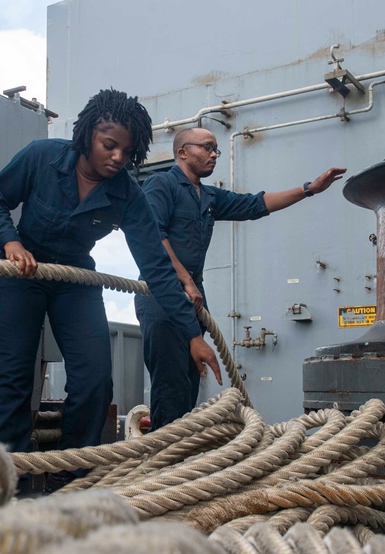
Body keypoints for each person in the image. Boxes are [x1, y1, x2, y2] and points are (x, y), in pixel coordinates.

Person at [0, 90, 223, 489]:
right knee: (11, 375)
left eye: (128, 152)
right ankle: (6, 478)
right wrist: (10, 242)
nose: (118, 158)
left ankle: (74, 478)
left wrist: (193, 336)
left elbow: (158, 270)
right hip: (22, 275)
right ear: (87, 134)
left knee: (94, 379)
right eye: (110, 145)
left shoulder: (127, 194)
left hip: (76, 281)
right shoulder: (41, 156)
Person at [135, 126, 345, 431]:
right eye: (207, 147)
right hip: (162, 295)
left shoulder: (206, 195)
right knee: (170, 385)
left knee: (187, 386)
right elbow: (155, 235)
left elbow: (255, 205)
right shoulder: (161, 185)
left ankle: (178, 461)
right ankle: (162, 467)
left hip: (192, 298)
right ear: (182, 152)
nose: (213, 155)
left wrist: (309, 189)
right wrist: (186, 281)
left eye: (216, 149)